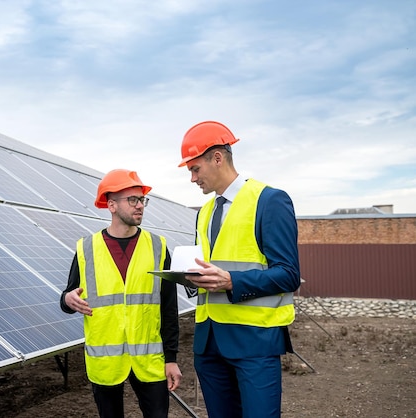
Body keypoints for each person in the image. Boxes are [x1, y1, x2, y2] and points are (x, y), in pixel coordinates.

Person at [177, 121, 301, 418]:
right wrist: (188, 278)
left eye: (195, 169)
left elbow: (288, 274)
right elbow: (209, 266)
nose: (192, 178)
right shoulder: (204, 212)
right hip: (208, 343)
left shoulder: (269, 200)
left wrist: (233, 282)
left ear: (217, 157)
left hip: (254, 343)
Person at [60, 168, 182, 418]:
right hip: (106, 362)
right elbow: (67, 297)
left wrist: (171, 358)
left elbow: (169, 308)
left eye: (142, 200)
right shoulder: (87, 249)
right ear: (112, 205)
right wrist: (67, 299)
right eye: (133, 200)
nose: (140, 206)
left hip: (149, 361)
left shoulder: (158, 247)